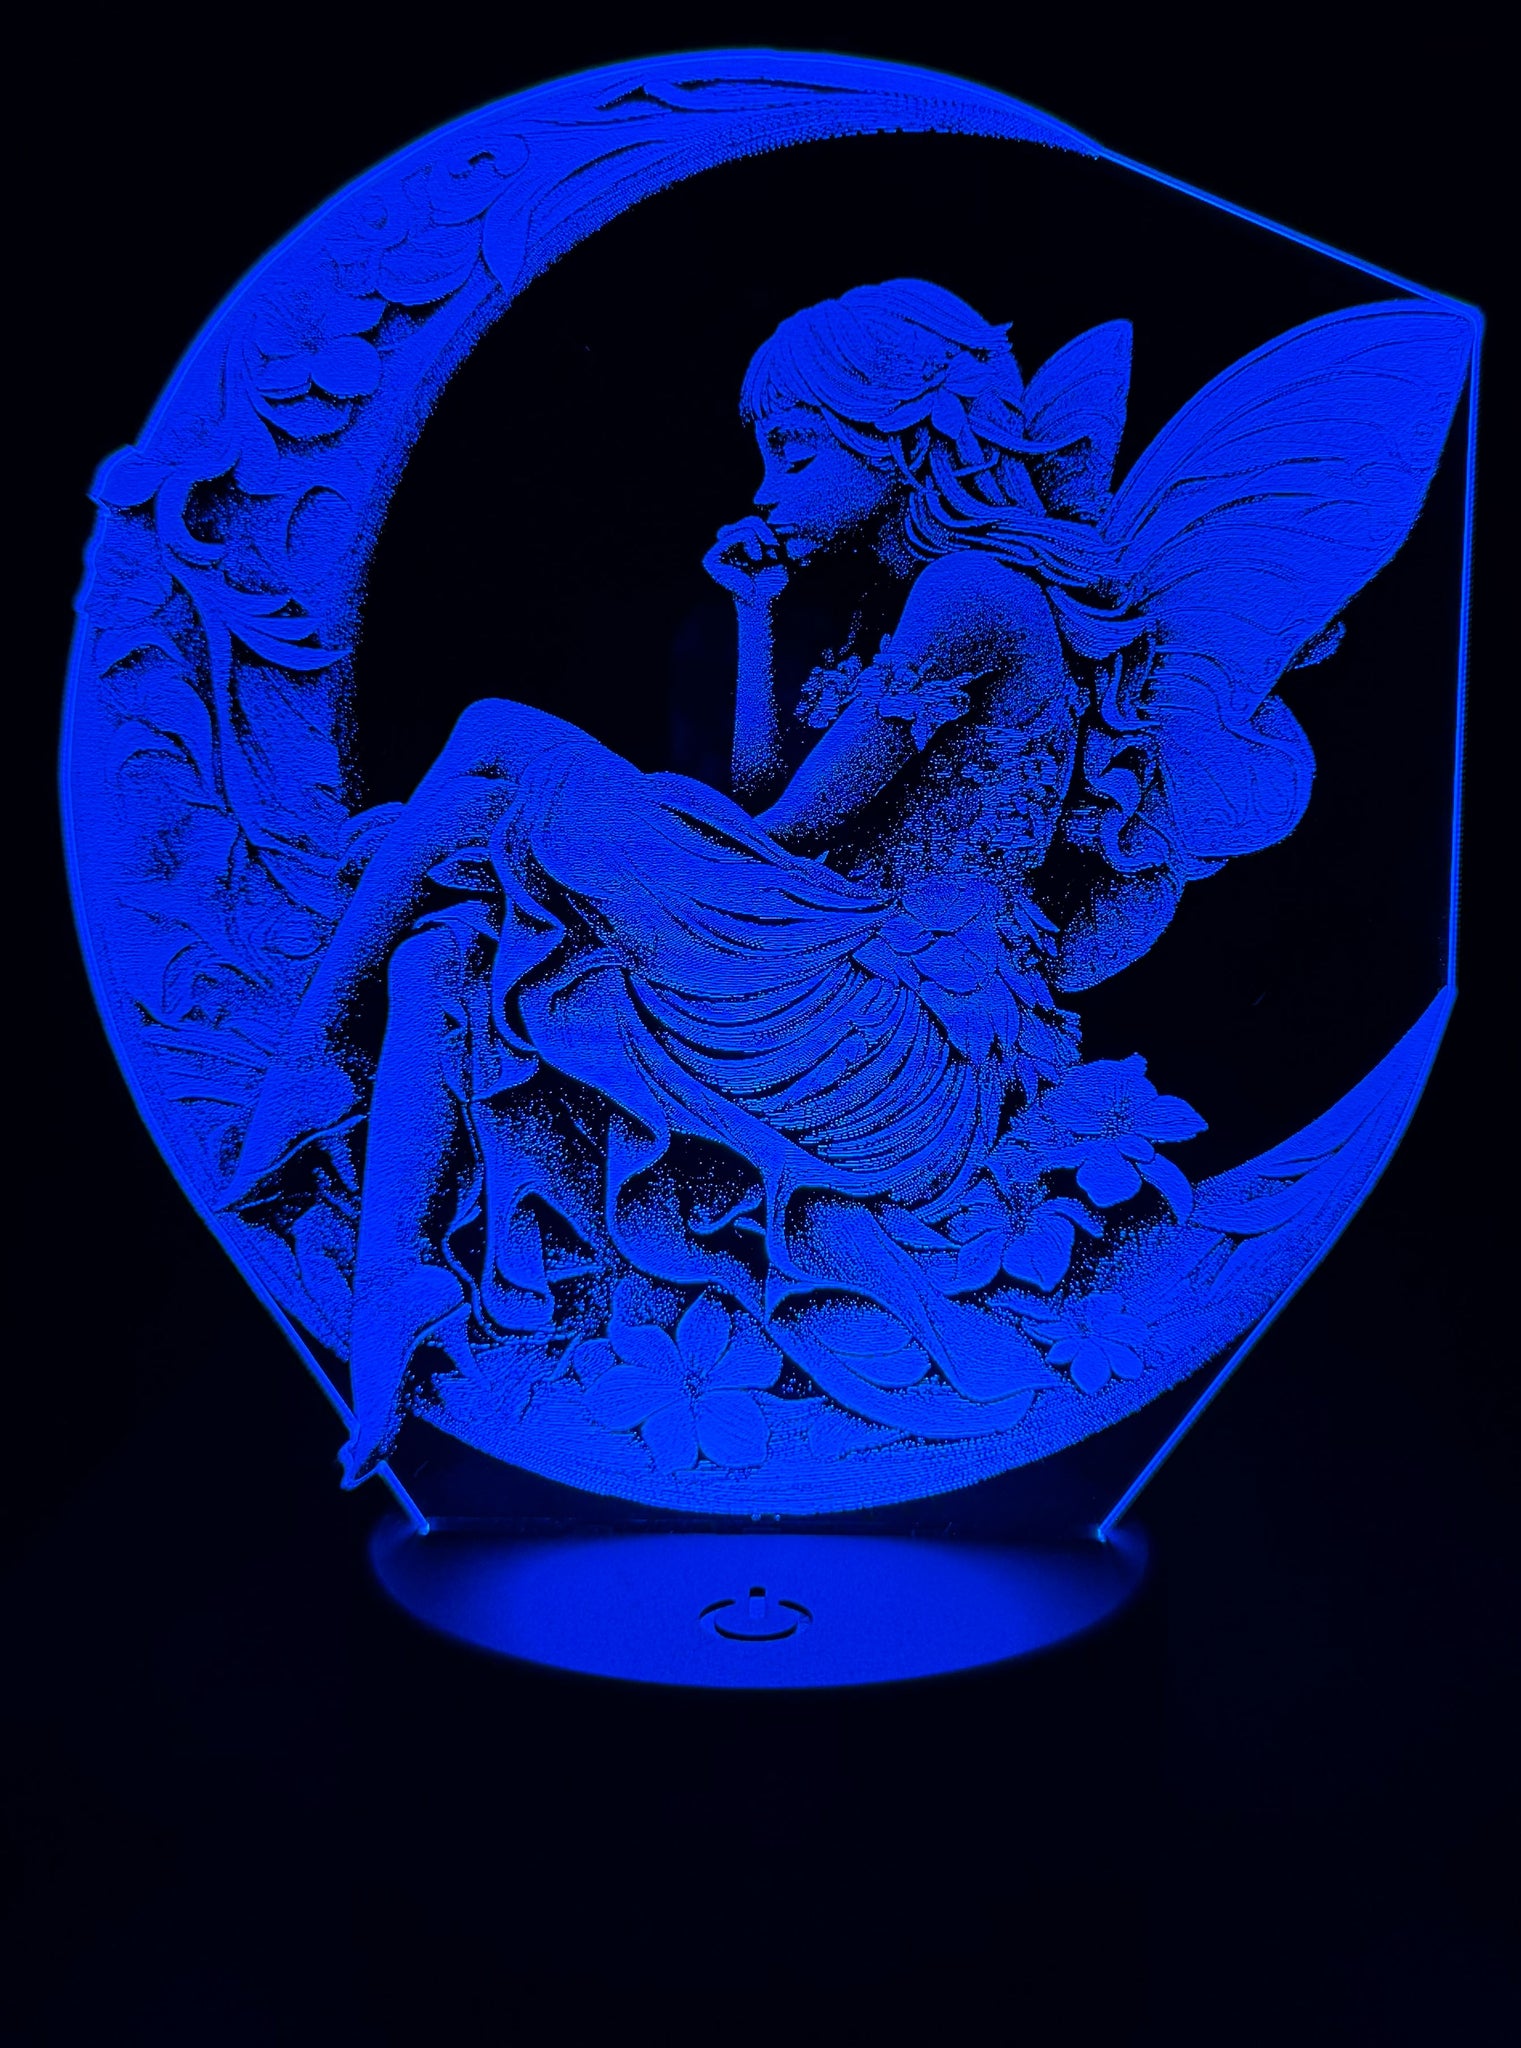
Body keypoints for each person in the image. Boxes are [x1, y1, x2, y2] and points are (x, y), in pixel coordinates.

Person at [227, 280, 1151, 1474]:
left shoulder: (973, 596)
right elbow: (771, 796)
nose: (766, 489)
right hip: (836, 971)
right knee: (441, 957)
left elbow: (791, 829)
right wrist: (756, 614)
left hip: (908, 1041)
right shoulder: (898, 608)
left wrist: (584, 816)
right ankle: (393, 1277)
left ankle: (306, 1062)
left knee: (495, 743)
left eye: (796, 451)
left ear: (900, 436)